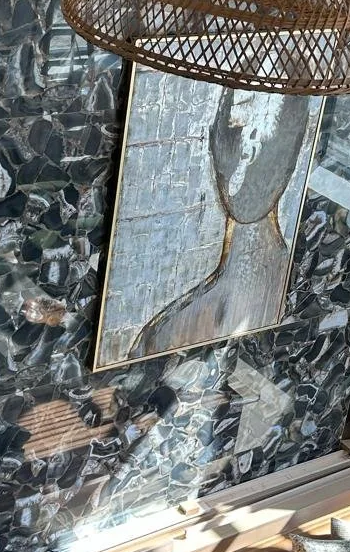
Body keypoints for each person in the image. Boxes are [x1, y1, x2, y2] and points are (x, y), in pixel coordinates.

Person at [128, 87, 311, 359]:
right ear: (214, 142)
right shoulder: (165, 334)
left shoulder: (299, 289)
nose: (247, 155)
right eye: (236, 125)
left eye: (266, 139)